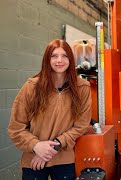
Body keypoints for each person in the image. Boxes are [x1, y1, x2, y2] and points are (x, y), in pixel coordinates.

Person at [8, 39, 92, 180]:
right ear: (47, 59)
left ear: (71, 59)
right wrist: (36, 146)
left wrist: (53, 147)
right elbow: (16, 128)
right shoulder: (31, 87)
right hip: (33, 161)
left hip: (64, 161)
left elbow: (81, 125)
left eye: (64, 56)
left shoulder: (82, 88)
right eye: (54, 56)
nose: (59, 60)